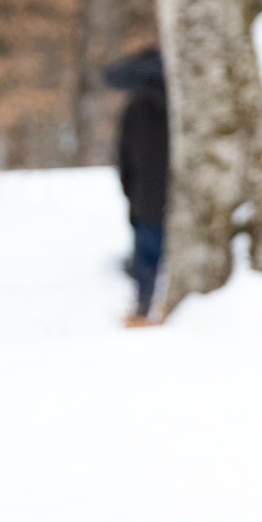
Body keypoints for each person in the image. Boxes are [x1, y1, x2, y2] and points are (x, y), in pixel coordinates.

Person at [112, 48, 168, 327]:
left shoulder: (135, 106)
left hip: (145, 195)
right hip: (177, 194)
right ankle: (162, 307)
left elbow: (124, 156)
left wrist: (129, 190)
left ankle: (144, 306)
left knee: (146, 255)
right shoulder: (183, 103)